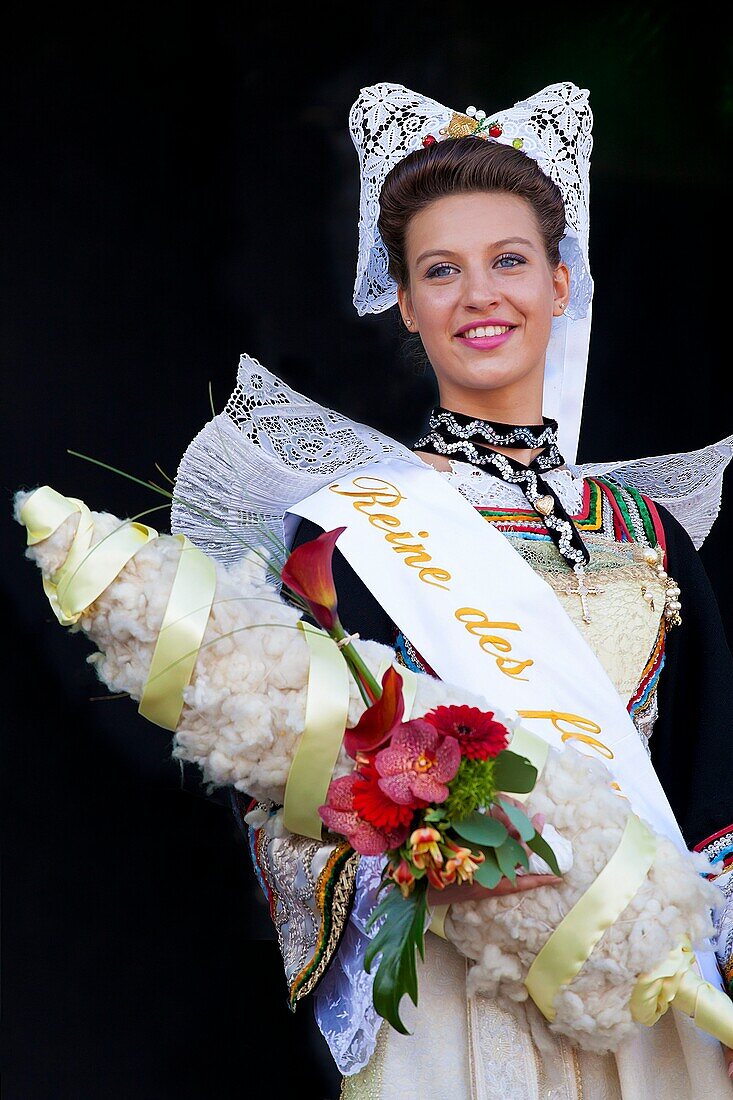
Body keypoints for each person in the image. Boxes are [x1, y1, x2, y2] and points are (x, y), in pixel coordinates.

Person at [171, 82, 733, 1097]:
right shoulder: (354, 532)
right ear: (405, 300)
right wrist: (436, 858)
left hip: (656, 1015)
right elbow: (291, 791)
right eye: (442, 270)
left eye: (509, 261)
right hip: (458, 1008)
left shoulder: (647, 536)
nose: (480, 294)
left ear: (562, 283)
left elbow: (715, 794)